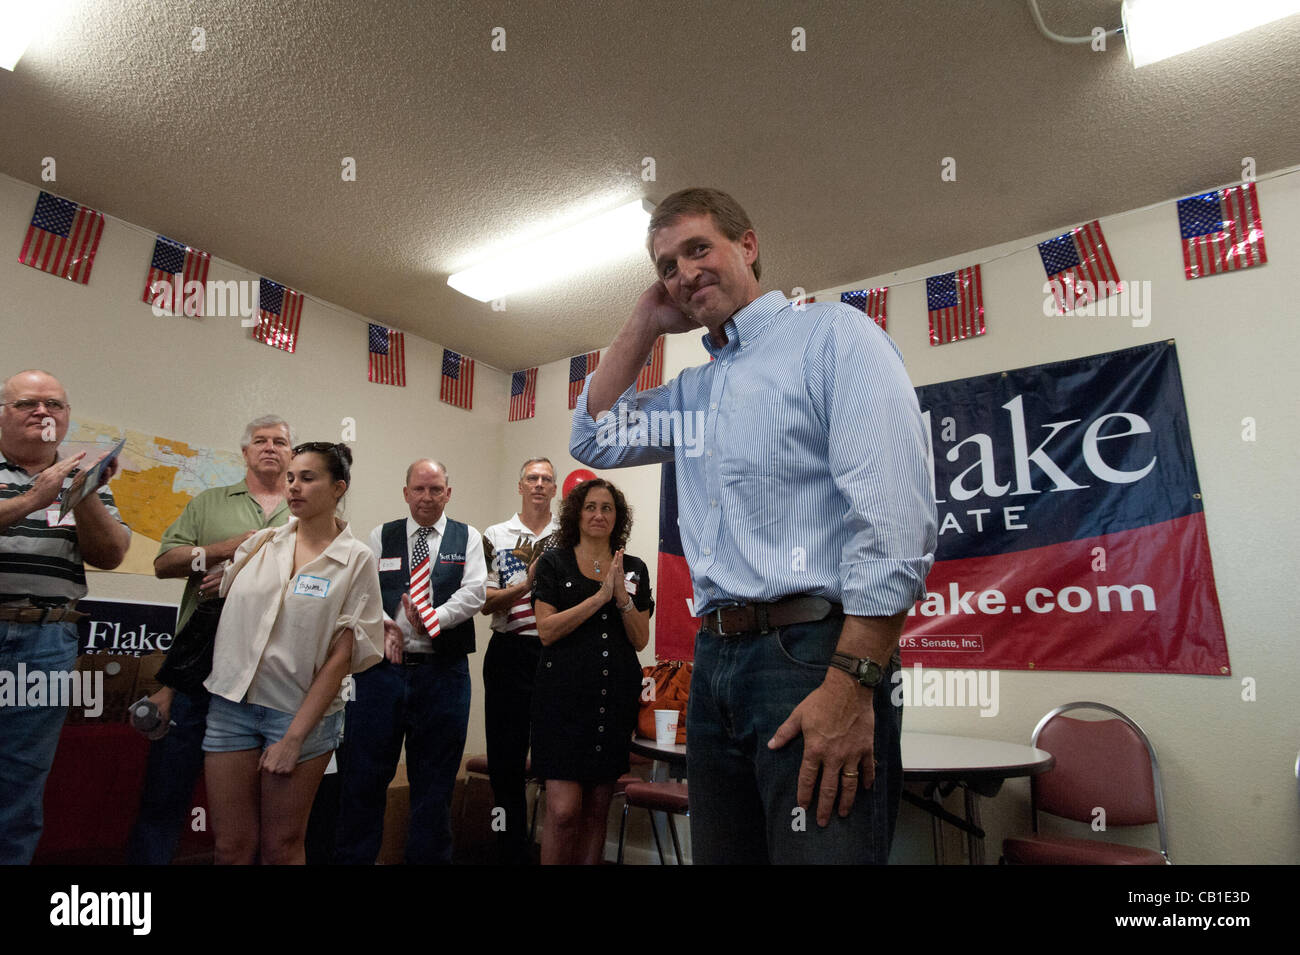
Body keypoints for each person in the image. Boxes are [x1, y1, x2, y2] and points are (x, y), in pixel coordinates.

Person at [570, 188, 937, 864]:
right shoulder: (694, 392)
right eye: (667, 266)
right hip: (715, 663)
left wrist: (853, 681)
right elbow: (591, 439)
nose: (682, 273)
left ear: (749, 245)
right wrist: (644, 322)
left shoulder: (832, 335)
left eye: (697, 248)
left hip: (811, 655)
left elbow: (892, 519)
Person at [202, 442, 382, 865]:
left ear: (339, 488)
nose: (294, 487)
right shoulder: (262, 544)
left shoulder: (356, 560)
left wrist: (293, 739)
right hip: (231, 707)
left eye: (308, 478)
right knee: (231, 846)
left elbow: (342, 658)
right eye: (291, 478)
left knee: (281, 847)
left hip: (297, 715)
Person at [126, 415, 293, 864]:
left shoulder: (305, 512)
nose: (270, 448)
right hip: (198, 672)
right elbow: (164, 563)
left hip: (270, 677)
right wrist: (227, 549)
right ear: (245, 452)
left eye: (280, 441)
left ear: (292, 454)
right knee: (166, 795)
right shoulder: (209, 502)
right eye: (260, 441)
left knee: (262, 808)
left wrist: (239, 576)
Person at [0, 370, 131, 864]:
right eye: (27, 403)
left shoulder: (79, 476)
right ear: (2, 414)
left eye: (55, 404)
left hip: (45, 643)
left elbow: (112, 554)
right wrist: (35, 497)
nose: (43, 412)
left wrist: (84, 491)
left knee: (21, 780)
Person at [333, 459, 486, 865]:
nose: (427, 497)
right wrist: (388, 626)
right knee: (363, 781)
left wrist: (431, 620)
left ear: (448, 494)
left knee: (434, 788)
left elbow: (474, 594)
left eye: (436, 489)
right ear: (406, 493)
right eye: (419, 489)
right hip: (382, 676)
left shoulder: (467, 537)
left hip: (444, 676)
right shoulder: (380, 536)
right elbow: (363, 592)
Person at [530, 478, 651, 865]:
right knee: (564, 811)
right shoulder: (555, 561)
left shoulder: (634, 569)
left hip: (611, 700)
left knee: (597, 810)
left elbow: (639, 640)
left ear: (618, 518)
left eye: (607, 508)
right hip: (561, 701)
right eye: (590, 507)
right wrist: (599, 597)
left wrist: (620, 600)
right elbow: (547, 631)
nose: (598, 515)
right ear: (577, 514)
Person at [480, 456, 560, 864]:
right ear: (520, 486)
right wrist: (525, 585)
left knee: (558, 766)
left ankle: (552, 851)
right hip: (509, 652)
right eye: (532, 478)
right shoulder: (496, 534)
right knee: (506, 765)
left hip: (556, 656)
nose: (539, 485)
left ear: (555, 488)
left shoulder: (568, 536)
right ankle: (509, 852)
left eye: (547, 479)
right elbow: (483, 601)